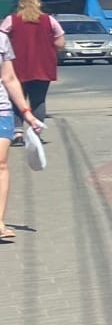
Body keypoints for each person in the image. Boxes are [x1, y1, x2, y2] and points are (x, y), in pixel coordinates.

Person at [0, 21, 48, 245]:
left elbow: (9, 78)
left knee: (1, 163)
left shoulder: (1, 39)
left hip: (1, 110)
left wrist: (27, 114)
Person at [0, 0, 63, 138]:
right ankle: (37, 131)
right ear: (38, 4)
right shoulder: (49, 20)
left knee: (16, 98)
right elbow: (60, 43)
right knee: (39, 100)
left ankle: (17, 132)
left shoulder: (11, 20)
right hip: (43, 66)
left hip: (17, 66)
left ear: (20, 5)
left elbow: (2, 39)